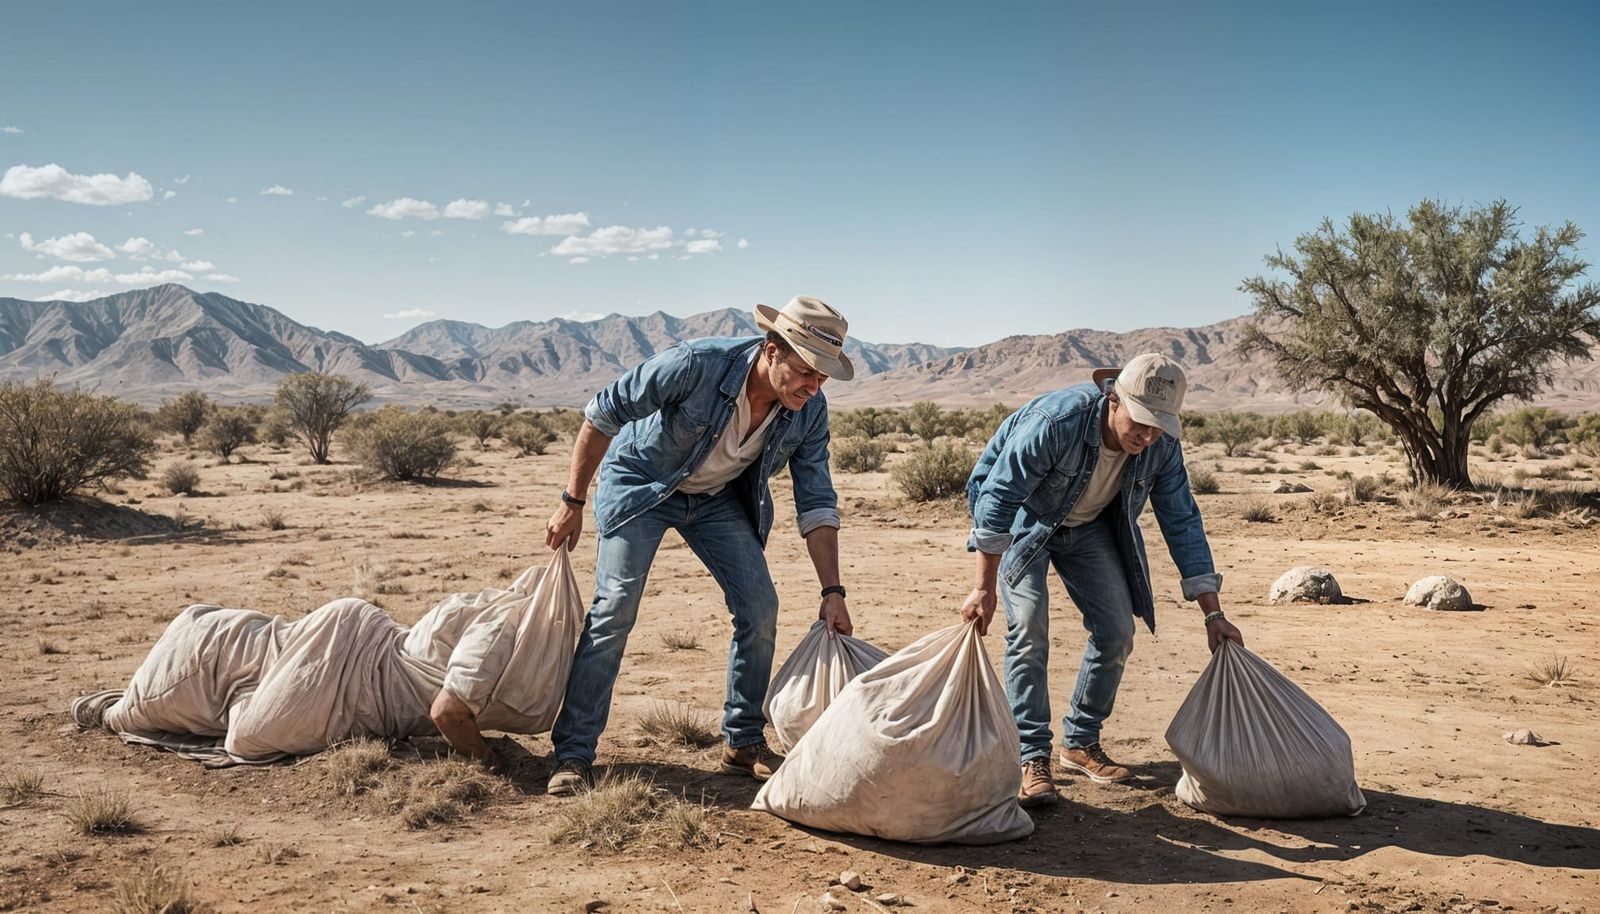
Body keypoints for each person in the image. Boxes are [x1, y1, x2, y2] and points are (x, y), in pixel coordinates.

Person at [543, 295, 856, 796]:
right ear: (771, 351)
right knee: (616, 608)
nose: (813, 387)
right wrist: (572, 500)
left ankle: (742, 742)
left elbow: (816, 499)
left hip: (715, 499)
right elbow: (603, 413)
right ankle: (574, 753)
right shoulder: (696, 365)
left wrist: (832, 591)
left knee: (760, 607)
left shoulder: (808, 410)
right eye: (804, 372)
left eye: (821, 377)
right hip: (642, 484)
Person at [959, 353, 1244, 808]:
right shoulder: (1056, 422)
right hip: (1023, 519)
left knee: (1117, 630)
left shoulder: (1161, 445)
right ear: (1114, 398)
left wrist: (1214, 614)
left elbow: (1182, 520)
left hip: (1088, 527)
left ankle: (1079, 742)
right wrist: (983, 586)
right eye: (1141, 422)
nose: (1147, 435)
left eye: (1159, 426)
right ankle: (1030, 756)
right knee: (1028, 628)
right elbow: (996, 497)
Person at [72, 551, 583, 770]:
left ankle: (138, 703)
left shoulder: (505, 614)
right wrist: (488, 762)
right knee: (247, 737)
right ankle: (115, 712)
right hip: (354, 666)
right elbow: (447, 714)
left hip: (358, 651)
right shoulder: (504, 630)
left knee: (252, 669)